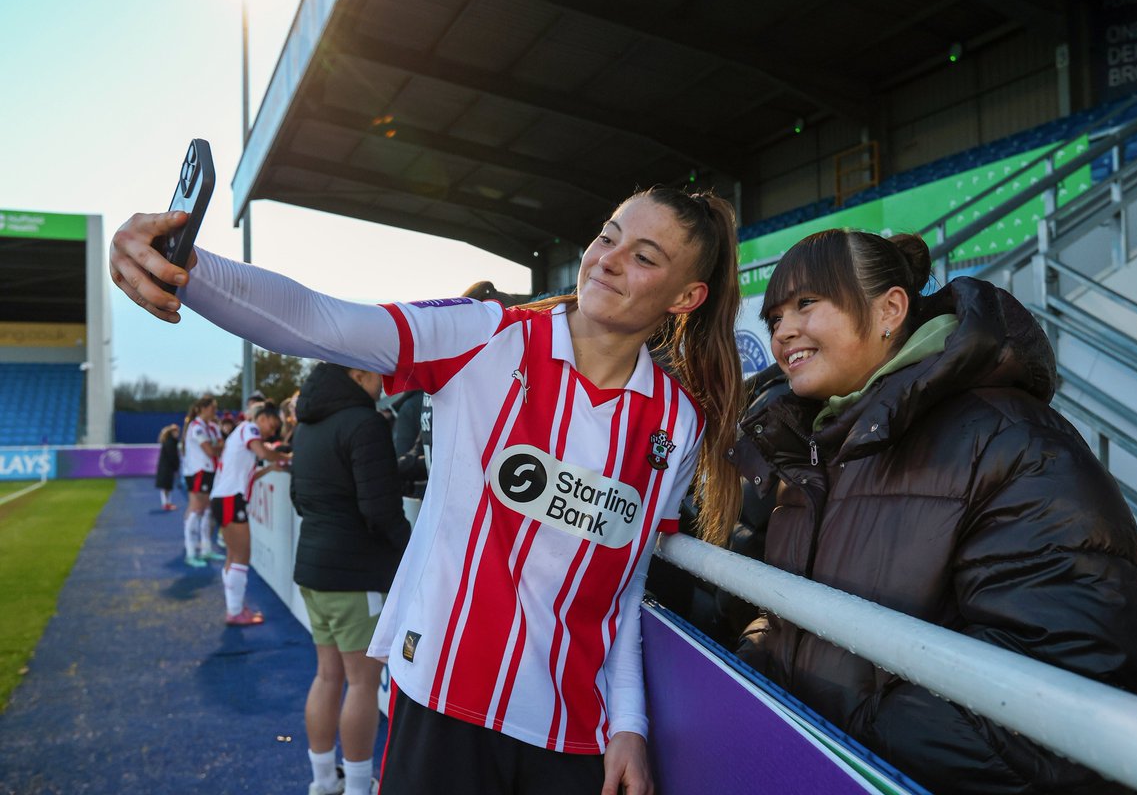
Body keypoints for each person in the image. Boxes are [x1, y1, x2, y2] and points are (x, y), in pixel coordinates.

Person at [109, 185, 744, 795]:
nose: (607, 260)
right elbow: (321, 320)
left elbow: (624, 592)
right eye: (607, 237)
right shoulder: (487, 336)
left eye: (643, 256)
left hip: (574, 733)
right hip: (444, 703)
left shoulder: (677, 422)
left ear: (686, 297)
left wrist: (628, 724)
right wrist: (187, 266)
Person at [729, 228, 1137, 794]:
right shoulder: (810, 448)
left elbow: (1061, 706)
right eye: (774, 317)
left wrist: (835, 737)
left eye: (806, 304)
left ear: (889, 308)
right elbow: (788, 624)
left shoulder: (1012, 441)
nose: (784, 331)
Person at [291, 362, 411, 795]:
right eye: (378, 373)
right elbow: (380, 511)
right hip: (353, 574)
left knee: (328, 676)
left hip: (313, 570)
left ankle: (324, 782)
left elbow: (299, 498)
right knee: (360, 682)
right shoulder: (364, 423)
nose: (385, 383)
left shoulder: (306, 425)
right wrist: (415, 554)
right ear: (357, 374)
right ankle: (360, 787)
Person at [209, 401, 291, 625]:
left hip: (225, 498)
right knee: (241, 555)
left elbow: (250, 476)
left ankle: (234, 607)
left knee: (233, 555)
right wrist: (287, 457)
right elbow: (262, 451)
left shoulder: (242, 435)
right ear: (262, 418)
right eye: (272, 426)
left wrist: (270, 468)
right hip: (229, 499)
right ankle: (234, 612)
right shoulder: (249, 428)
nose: (271, 432)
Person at [179, 395, 224, 567]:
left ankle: (205, 549)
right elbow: (211, 450)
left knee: (207, 510)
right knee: (197, 509)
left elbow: (220, 445)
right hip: (199, 471)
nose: (215, 411)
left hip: (211, 471)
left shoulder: (212, 427)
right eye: (212, 408)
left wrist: (217, 446)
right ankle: (191, 552)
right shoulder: (196, 427)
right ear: (202, 409)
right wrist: (217, 447)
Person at [154, 423, 181, 511]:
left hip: (167, 467)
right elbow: (172, 456)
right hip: (166, 468)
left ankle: (167, 503)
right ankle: (165, 503)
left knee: (168, 486)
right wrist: (176, 466)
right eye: (175, 431)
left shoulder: (172, 441)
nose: (177, 433)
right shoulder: (169, 442)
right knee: (165, 486)